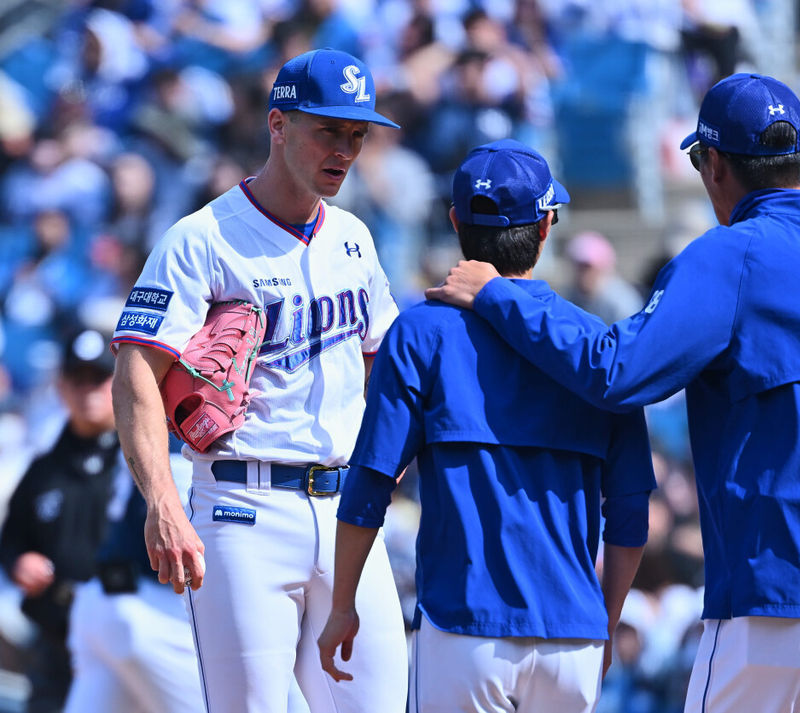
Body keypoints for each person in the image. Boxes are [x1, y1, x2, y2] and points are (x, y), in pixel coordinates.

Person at [426, 74, 800, 712]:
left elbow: (616, 370)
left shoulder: (730, 256)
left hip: (777, 597)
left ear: (713, 167)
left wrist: (498, 294)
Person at [109, 49, 408, 713]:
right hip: (243, 509)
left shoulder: (353, 238)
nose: (345, 148)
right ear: (277, 124)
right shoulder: (202, 239)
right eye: (327, 129)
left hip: (346, 511)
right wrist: (162, 500)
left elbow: (381, 357)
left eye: (356, 134)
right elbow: (135, 375)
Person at [318, 139, 657, 712]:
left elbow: (371, 480)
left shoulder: (421, 332)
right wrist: (606, 617)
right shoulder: (599, 344)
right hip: (571, 634)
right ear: (547, 226)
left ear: (454, 221)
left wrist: (342, 604)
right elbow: (629, 516)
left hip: (463, 627)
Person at [0, 326, 123, 713]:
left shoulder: (140, 464)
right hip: (55, 639)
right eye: (77, 379)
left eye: (98, 379)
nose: (87, 391)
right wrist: (20, 561)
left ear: (118, 383)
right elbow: (12, 538)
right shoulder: (43, 467)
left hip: (124, 641)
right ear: (61, 387)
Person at [64, 444, 203, 713]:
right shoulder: (186, 434)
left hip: (101, 603)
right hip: (155, 611)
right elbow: (188, 539)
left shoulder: (148, 433)